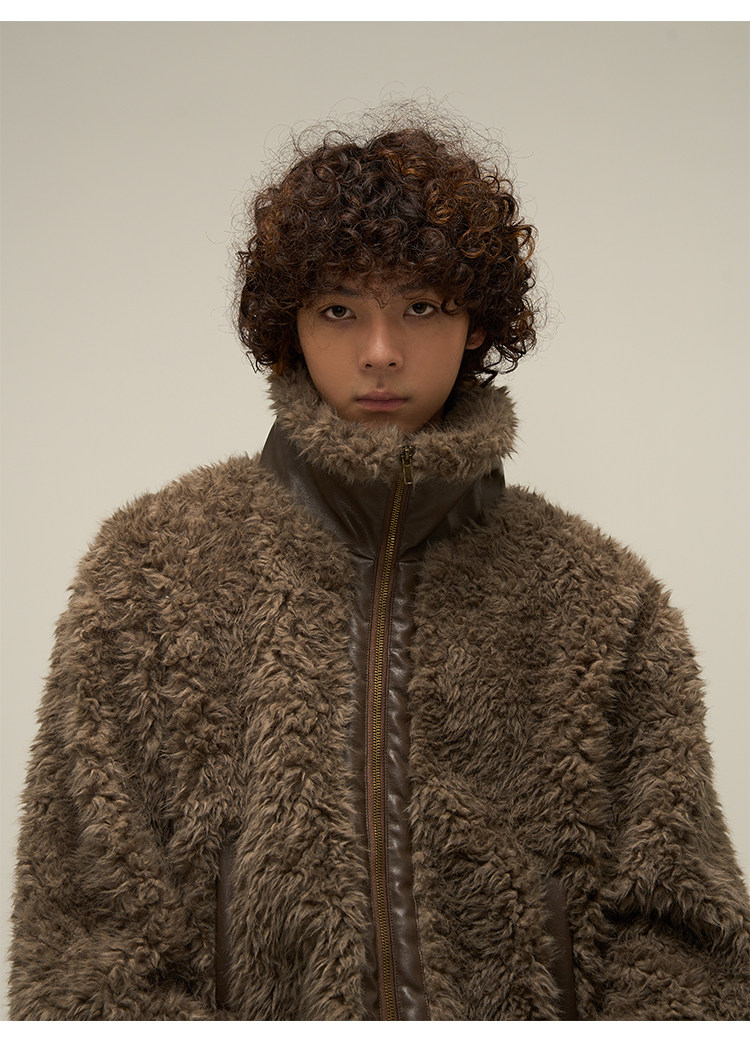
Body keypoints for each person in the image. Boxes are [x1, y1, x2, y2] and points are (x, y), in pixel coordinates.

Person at [8, 113, 750, 1021]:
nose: (381, 351)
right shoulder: (152, 575)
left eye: (421, 306)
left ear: (477, 324)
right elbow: (86, 942)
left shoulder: (604, 603)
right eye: (339, 309)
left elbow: (684, 943)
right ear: (289, 327)